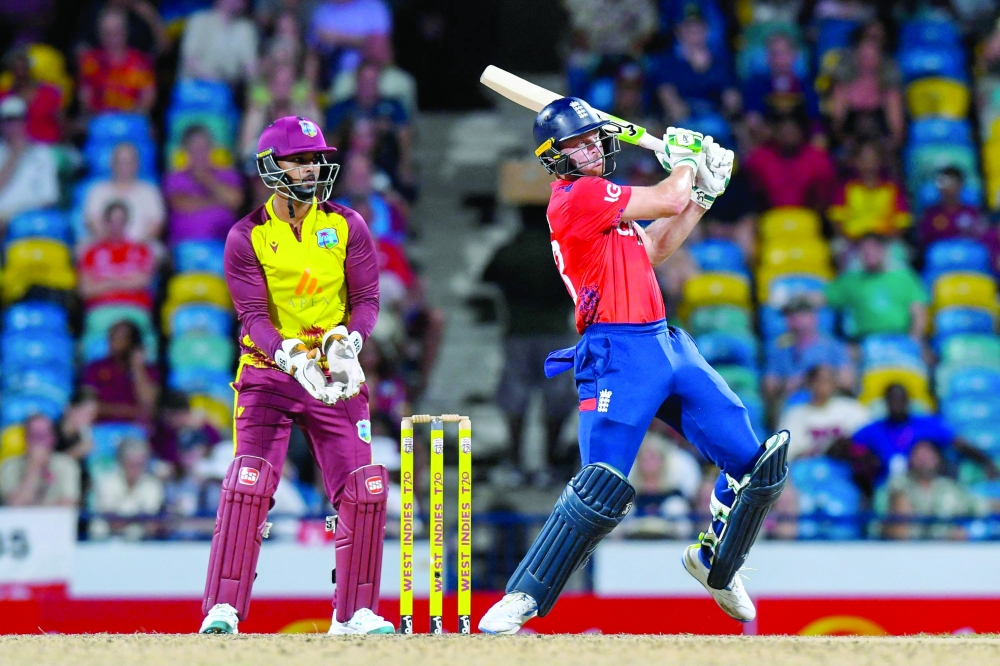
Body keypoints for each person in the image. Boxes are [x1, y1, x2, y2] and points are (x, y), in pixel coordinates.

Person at [479, 97, 788, 634]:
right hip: (616, 353)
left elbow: (654, 248)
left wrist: (702, 198)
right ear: (556, 158)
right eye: (577, 144)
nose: (590, 150)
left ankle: (716, 562)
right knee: (601, 486)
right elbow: (667, 197)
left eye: (592, 139)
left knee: (755, 464)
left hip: (665, 342)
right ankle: (523, 596)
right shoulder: (577, 196)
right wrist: (687, 163)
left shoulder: (609, 209)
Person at [200, 115, 389, 635]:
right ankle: (224, 609)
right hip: (270, 372)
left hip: (334, 372)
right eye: (300, 161)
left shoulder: (347, 225)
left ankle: (354, 613)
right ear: (271, 167)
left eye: (316, 160)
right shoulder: (247, 236)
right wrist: (289, 357)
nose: (312, 169)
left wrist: (351, 343)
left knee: (363, 488)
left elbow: (367, 300)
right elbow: (253, 317)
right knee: (249, 483)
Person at [482, 204, 580, 486]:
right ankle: (550, 463)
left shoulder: (510, 250)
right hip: (556, 333)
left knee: (515, 397)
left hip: (518, 333)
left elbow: (487, 277)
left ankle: (515, 462)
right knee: (557, 399)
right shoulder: (562, 251)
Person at [853, 384, 997, 485]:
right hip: (886, 487)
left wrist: (986, 461)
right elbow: (853, 447)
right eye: (892, 400)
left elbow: (958, 443)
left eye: (900, 400)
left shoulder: (926, 424)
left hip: (925, 484)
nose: (896, 404)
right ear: (886, 403)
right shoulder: (873, 430)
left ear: (908, 401)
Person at [874, 440, 989, 540]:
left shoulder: (949, 487)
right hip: (906, 546)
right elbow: (881, 521)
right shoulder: (897, 484)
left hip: (945, 547)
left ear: (938, 459)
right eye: (919, 457)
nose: (924, 461)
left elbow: (977, 505)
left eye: (928, 456)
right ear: (910, 459)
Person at [825, 233, 928, 342]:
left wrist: (913, 341)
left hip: (900, 337)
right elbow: (823, 298)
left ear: (883, 250)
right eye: (864, 251)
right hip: (864, 340)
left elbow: (919, 312)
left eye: (873, 249)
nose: (869, 255)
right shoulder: (850, 280)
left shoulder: (904, 277)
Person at [763, 294, 854, 410]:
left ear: (813, 317)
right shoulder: (780, 350)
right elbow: (769, 386)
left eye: (801, 314)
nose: (795, 320)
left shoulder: (832, 347)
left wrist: (813, 380)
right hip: (792, 405)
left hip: (827, 404)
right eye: (790, 315)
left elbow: (847, 381)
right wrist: (785, 384)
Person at [163, 125, 244, 246]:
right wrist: (219, 201)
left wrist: (207, 180)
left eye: (204, 148)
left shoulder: (228, 175)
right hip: (185, 244)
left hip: (224, 243)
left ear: (212, 148)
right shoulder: (174, 178)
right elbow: (181, 205)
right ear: (186, 151)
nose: (200, 153)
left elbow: (235, 201)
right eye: (194, 149)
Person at [743, 110, 837, 211]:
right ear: (773, 129)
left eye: (793, 125)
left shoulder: (820, 160)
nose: (788, 130)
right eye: (781, 125)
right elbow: (750, 199)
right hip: (768, 218)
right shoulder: (757, 160)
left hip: (810, 218)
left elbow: (825, 200)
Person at [778, 364, 870, 460]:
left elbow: (867, 439)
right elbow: (785, 453)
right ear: (810, 383)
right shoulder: (795, 414)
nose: (825, 385)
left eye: (829, 380)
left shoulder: (851, 408)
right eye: (821, 380)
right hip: (809, 465)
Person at [83, 141, 165, 248]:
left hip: (141, 245)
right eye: (120, 162)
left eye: (129, 162)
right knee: (83, 248)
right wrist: (111, 244)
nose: (124, 166)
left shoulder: (149, 191)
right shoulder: (97, 190)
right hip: (105, 244)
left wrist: (133, 247)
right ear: (111, 163)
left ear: (137, 164)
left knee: (157, 250)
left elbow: (156, 224)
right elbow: (92, 221)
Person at [79, 201, 156, 312]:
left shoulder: (141, 250)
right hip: (101, 308)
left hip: (135, 306)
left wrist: (107, 283)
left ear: (127, 222)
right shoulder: (91, 252)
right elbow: (86, 290)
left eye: (120, 221)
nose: (116, 226)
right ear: (105, 222)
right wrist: (126, 282)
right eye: (112, 221)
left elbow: (143, 283)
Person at [77, 8, 156, 115]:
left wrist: (130, 115)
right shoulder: (90, 62)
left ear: (126, 32)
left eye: (117, 32)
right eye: (107, 33)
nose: (113, 38)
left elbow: (148, 97)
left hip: (134, 118)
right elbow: (85, 98)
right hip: (100, 119)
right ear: (99, 33)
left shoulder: (141, 61)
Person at [81, 320, 159, 426]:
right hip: (101, 426)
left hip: (135, 428)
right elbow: (89, 403)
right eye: (113, 337)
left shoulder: (148, 370)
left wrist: (138, 368)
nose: (115, 341)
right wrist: (128, 411)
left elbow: (148, 406)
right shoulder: (96, 367)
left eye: (123, 337)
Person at [827, 141, 910, 240]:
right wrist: (853, 240)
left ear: (880, 161)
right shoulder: (845, 188)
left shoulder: (892, 188)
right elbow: (837, 221)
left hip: (885, 240)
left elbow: (902, 222)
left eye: (873, 160)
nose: (869, 165)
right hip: (852, 240)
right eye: (864, 160)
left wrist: (882, 241)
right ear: (855, 161)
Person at [89, 436, 165, 540]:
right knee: (99, 527)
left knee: (136, 530)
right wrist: (136, 518)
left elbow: (150, 521)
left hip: (140, 538)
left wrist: (130, 520)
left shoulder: (153, 485)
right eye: (131, 464)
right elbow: (112, 520)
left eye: (140, 464)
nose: (136, 469)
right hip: (106, 536)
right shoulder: (105, 481)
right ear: (121, 462)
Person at [0, 96, 59, 224]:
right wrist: (15, 155)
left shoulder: (42, 153)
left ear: (25, 122)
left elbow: (49, 198)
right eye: (8, 120)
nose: (13, 125)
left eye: (17, 119)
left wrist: (14, 215)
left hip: (30, 216)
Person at [0, 414, 81, 507]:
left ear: (53, 438)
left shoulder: (67, 464)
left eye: (43, 435)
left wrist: (33, 507)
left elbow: (68, 504)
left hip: (53, 517)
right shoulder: (9, 465)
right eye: (34, 435)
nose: (39, 442)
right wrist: (34, 467)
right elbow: (15, 505)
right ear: (25, 438)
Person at [178, 0, 259, 85]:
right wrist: (213, 79)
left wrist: (257, 88)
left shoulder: (246, 28)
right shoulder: (199, 20)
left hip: (227, 87)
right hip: (194, 85)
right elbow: (188, 59)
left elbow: (250, 66)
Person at [0, 46, 64, 143]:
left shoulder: (49, 92)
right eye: (16, 69)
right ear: (11, 71)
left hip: (47, 145)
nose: (20, 73)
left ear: (29, 68)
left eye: (23, 68)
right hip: (17, 147)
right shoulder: (4, 98)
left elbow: (61, 123)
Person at [918, 166, 986, 249]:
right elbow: (924, 240)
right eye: (942, 182)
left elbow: (981, 236)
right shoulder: (931, 214)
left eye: (952, 183)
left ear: (960, 184)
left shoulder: (971, 212)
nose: (947, 187)